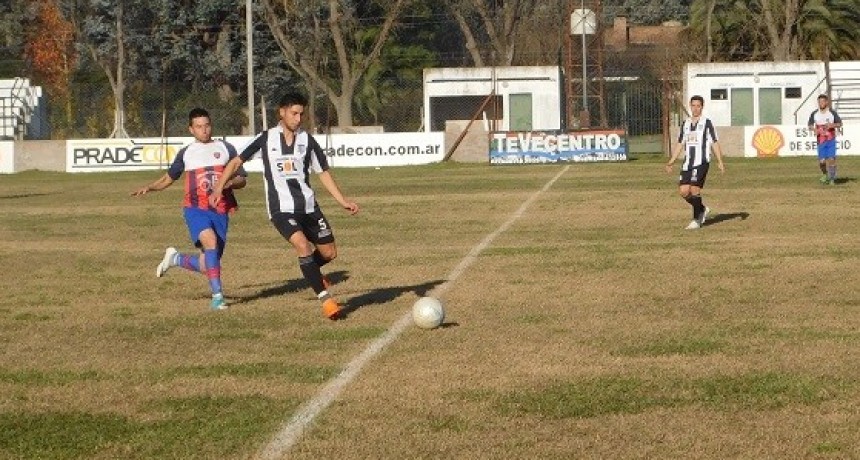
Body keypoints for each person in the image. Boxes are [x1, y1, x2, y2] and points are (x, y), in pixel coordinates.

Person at [209, 92, 359, 320]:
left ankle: (313, 271)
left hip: (309, 207)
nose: (298, 118)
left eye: (301, 114)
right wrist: (220, 187)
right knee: (302, 245)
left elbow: (323, 172)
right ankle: (326, 300)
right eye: (294, 113)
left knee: (329, 253)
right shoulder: (266, 139)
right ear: (282, 112)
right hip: (281, 209)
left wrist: (342, 201)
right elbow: (236, 161)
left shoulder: (307, 141)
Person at [132, 108, 247, 310]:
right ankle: (218, 297)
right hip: (195, 209)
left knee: (207, 264)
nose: (204, 130)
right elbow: (169, 178)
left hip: (220, 210)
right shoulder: (186, 153)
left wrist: (228, 184)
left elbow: (242, 179)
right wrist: (150, 187)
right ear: (191, 129)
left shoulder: (226, 148)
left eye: (207, 125)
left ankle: (175, 258)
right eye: (199, 127)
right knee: (210, 242)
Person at [665, 95, 725, 230]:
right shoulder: (686, 124)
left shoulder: (707, 123)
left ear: (702, 107)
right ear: (690, 106)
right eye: (693, 105)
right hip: (688, 163)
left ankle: (696, 220)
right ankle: (702, 209)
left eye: (698, 106)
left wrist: (720, 161)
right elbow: (680, 143)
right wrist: (671, 161)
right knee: (684, 192)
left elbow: (714, 142)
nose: (696, 108)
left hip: (701, 162)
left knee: (694, 189)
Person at [808, 94, 843, 185]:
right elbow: (810, 125)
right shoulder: (815, 113)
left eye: (823, 101)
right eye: (819, 102)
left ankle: (832, 179)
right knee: (822, 161)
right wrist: (814, 129)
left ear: (827, 102)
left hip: (831, 139)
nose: (821, 103)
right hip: (821, 141)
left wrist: (832, 125)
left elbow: (839, 123)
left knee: (831, 159)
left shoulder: (832, 112)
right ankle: (825, 174)